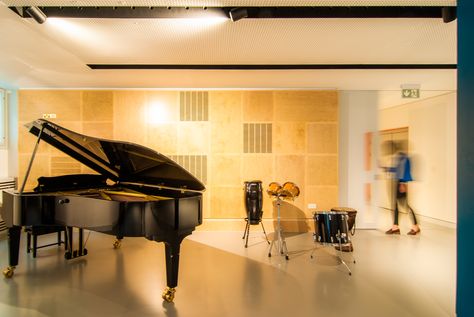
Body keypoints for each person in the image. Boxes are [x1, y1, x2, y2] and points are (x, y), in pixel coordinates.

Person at [382, 141, 420, 235]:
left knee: (405, 205)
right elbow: (397, 169)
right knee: (395, 205)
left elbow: (406, 171)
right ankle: (395, 227)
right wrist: (387, 168)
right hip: (398, 182)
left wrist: (403, 183)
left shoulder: (404, 158)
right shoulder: (399, 156)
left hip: (401, 182)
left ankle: (416, 226)